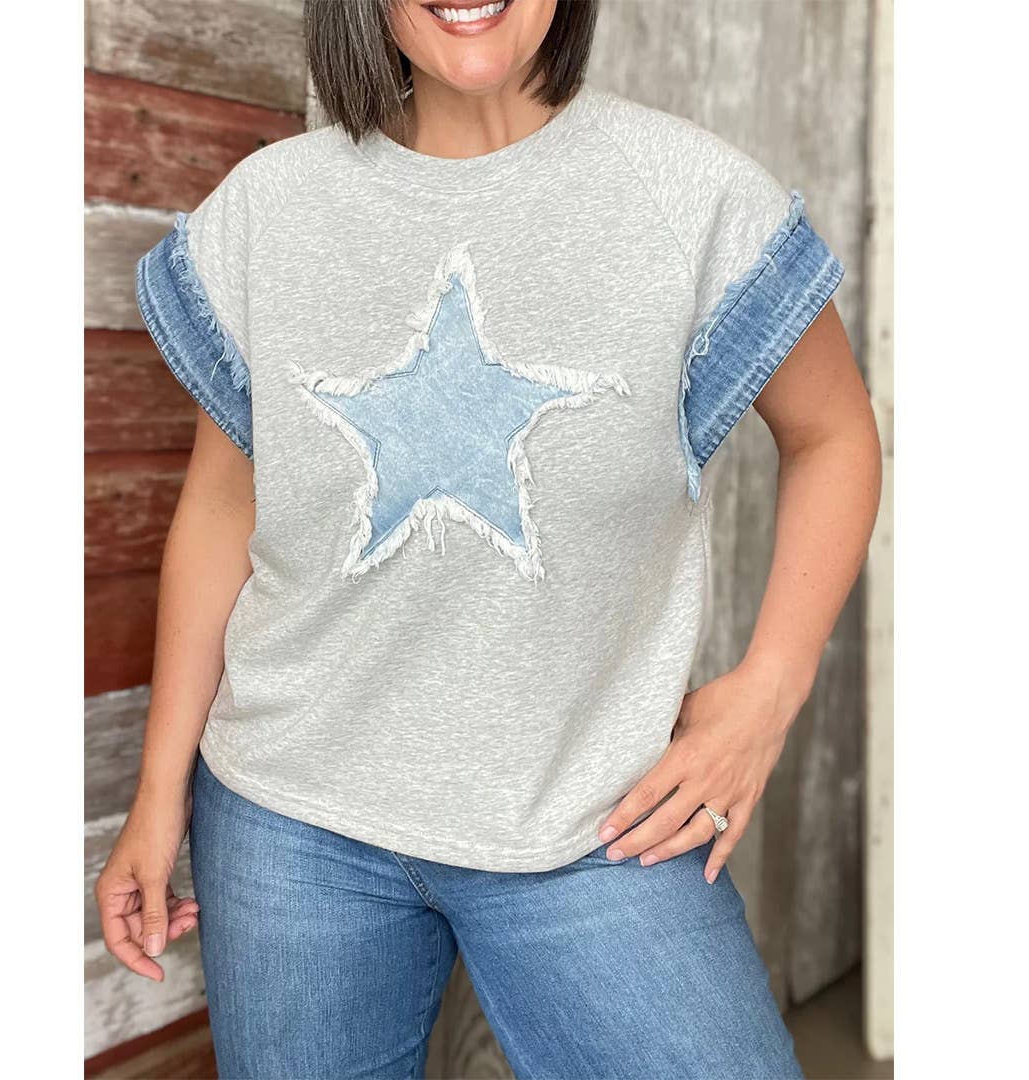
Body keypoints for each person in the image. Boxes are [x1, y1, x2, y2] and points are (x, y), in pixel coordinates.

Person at [95, 1, 882, 1076]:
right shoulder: (266, 211)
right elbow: (225, 506)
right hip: (289, 825)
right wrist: (157, 797)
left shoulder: (694, 197)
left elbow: (835, 436)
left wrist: (771, 690)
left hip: (595, 818)